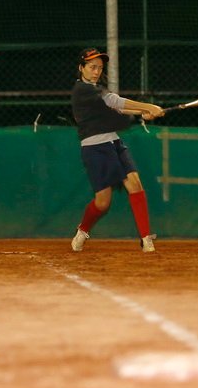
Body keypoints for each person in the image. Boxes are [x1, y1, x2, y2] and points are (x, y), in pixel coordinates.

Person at [70, 48, 165, 253]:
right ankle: (83, 230)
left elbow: (117, 108)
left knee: (135, 184)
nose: (96, 71)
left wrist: (143, 112)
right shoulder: (82, 90)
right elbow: (114, 101)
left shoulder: (97, 89)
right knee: (103, 203)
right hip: (95, 148)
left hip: (114, 142)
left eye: (99, 68)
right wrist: (148, 106)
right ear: (81, 68)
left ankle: (145, 238)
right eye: (92, 67)